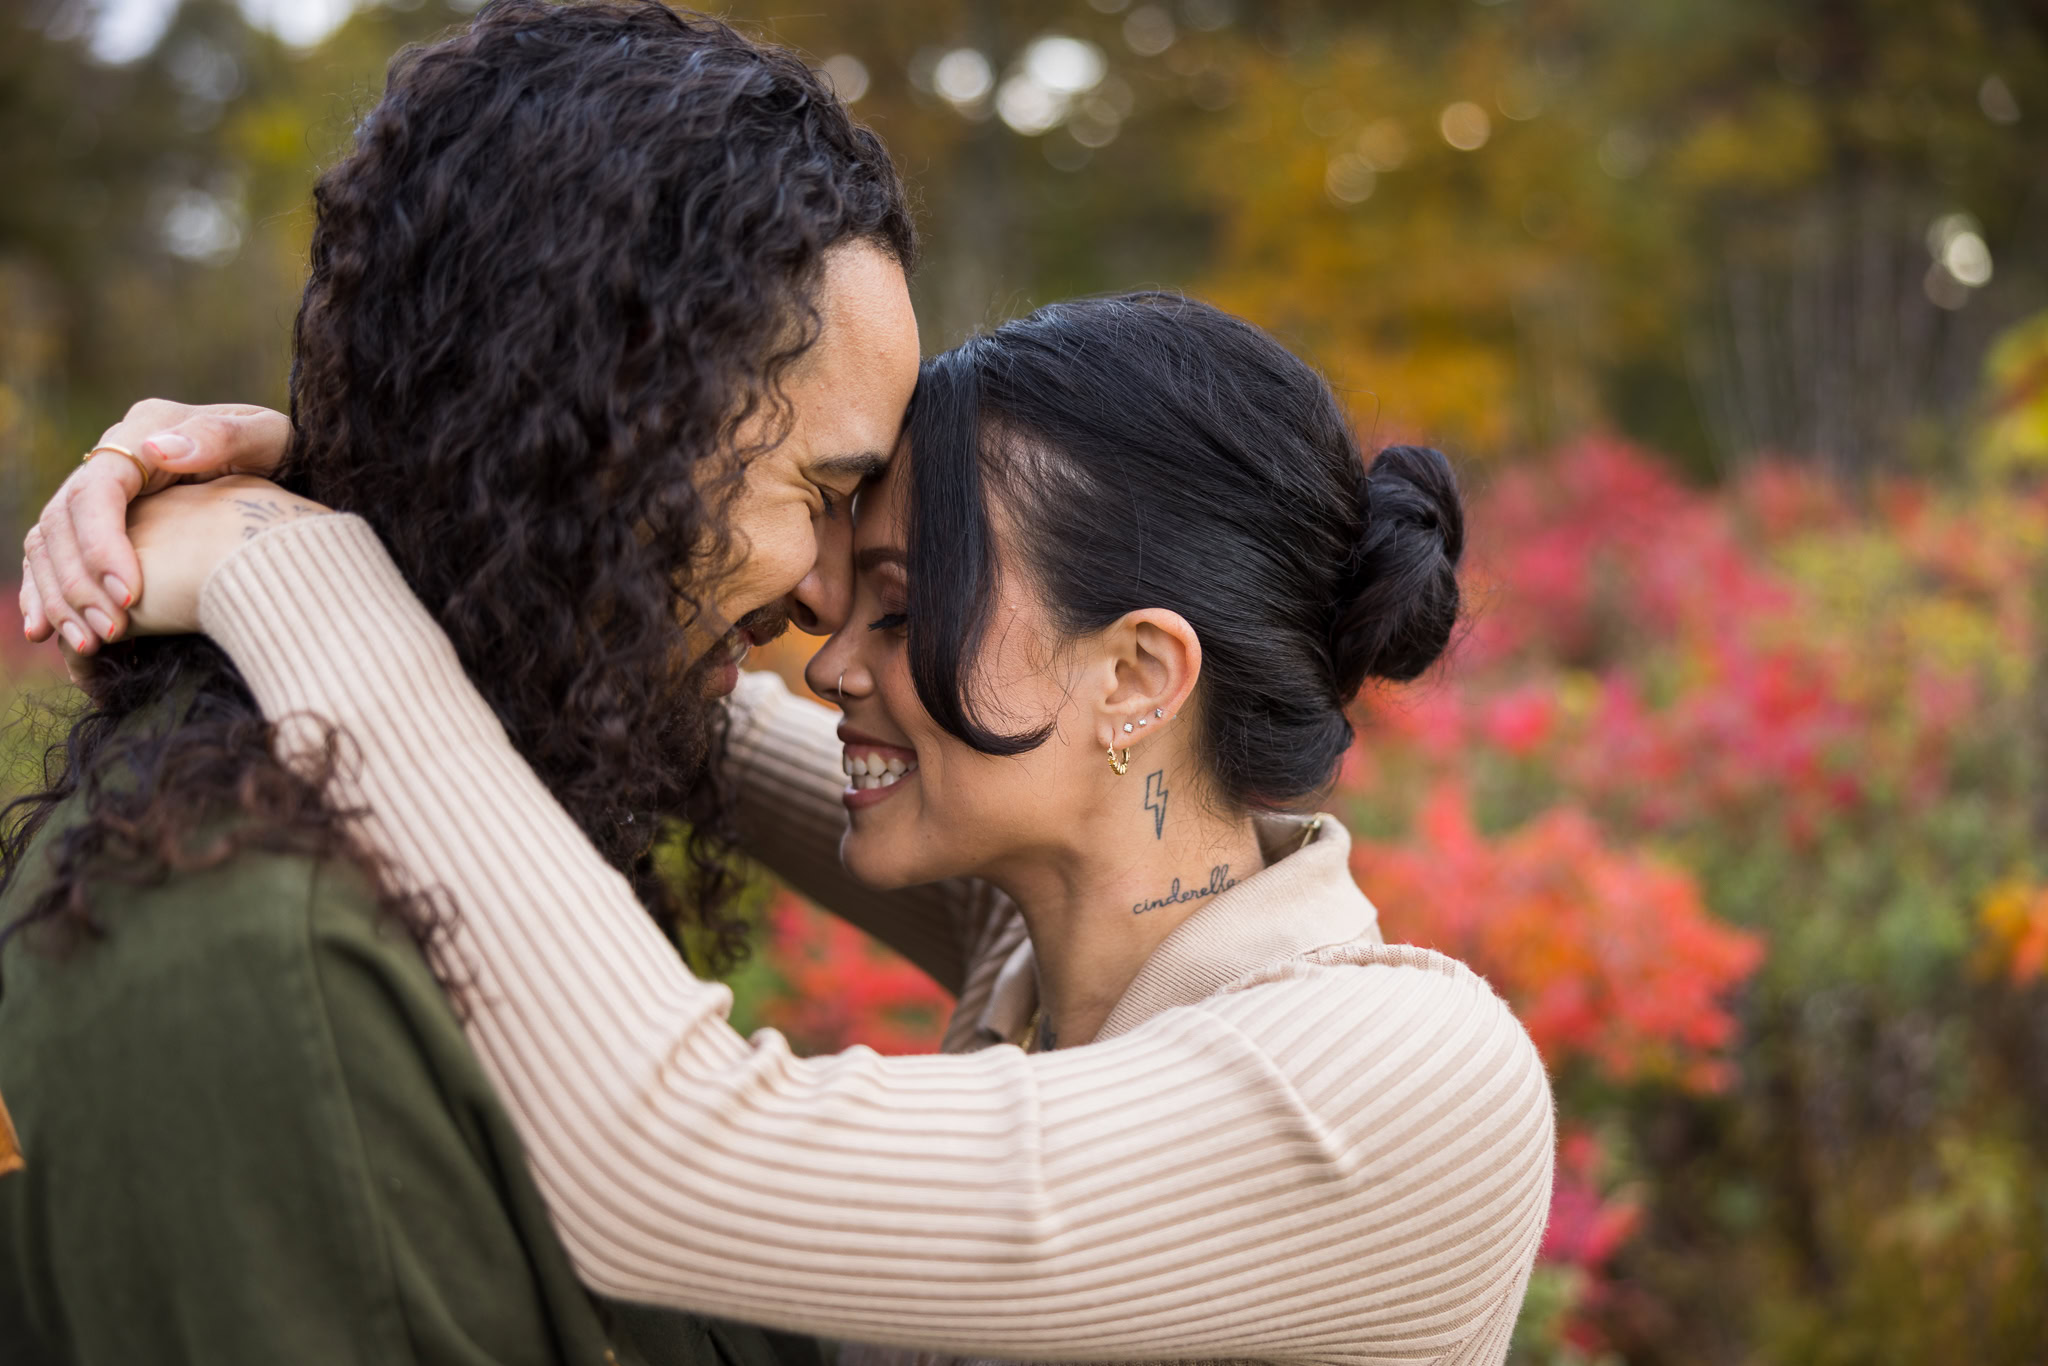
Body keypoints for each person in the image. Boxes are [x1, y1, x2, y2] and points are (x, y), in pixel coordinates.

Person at [31, 294, 1557, 1366]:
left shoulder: (1405, 1082)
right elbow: (633, 693)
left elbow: (672, 1163)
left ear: (1139, 672)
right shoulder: (1046, 958)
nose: (826, 660)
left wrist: (281, 570)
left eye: (902, 609)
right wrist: (353, 488)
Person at [1, 3, 917, 1362]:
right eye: (824, 494)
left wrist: (341, 505)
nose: (829, 591)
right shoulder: (278, 949)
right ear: (611, 433)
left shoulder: (467, 797)